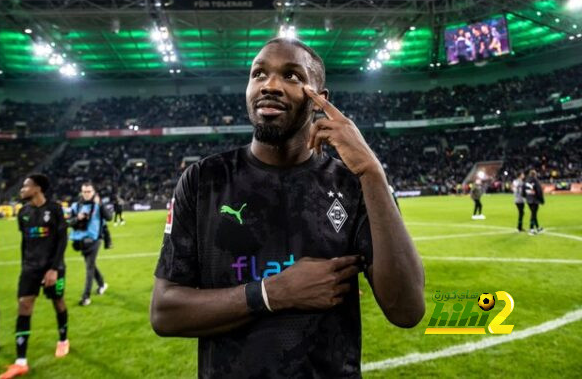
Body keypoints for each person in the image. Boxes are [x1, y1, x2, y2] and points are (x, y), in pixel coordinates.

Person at [150, 37, 425, 378]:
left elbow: (407, 310)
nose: (270, 85)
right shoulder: (205, 180)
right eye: (258, 74)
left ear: (319, 100)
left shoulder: (353, 185)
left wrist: (372, 172)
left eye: (292, 76)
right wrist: (271, 293)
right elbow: (165, 312)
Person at [0, 174, 69, 379]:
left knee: (58, 302)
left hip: (53, 267)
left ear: (37, 188)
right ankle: (21, 362)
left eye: (25, 186)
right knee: (24, 305)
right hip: (30, 268)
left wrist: (54, 269)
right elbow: (25, 242)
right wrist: (24, 266)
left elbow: (62, 240)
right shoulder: (23, 212)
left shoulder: (55, 209)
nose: (22, 190)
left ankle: (63, 340)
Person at [69, 182, 108, 306]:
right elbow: (69, 222)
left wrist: (100, 204)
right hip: (80, 241)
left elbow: (109, 217)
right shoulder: (76, 206)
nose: (86, 194)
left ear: (94, 192)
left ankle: (86, 297)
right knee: (90, 265)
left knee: (89, 267)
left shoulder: (98, 205)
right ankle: (102, 284)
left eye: (89, 191)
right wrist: (77, 218)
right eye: (84, 191)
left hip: (95, 240)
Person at [523, 169, 544, 235]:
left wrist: (526, 197)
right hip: (534, 200)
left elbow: (523, 191)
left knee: (533, 214)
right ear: (535, 174)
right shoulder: (535, 181)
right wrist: (541, 200)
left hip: (528, 200)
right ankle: (531, 229)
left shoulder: (526, 181)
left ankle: (537, 228)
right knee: (533, 214)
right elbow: (539, 191)